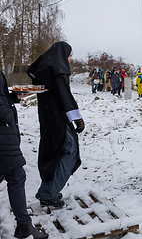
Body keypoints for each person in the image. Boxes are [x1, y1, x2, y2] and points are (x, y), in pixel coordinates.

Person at [27, 41, 85, 208]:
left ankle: (48, 190)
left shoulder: (44, 68)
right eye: (69, 56)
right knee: (71, 152)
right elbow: (64, 95)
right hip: (59, 120)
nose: (69, 59)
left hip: (46, 119)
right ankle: (48, 193)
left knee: (53, 154)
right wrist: (77, 118)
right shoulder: (59, 70)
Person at [0, 70, 48, 238]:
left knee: (13, 175)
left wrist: (14, 97)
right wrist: (9, 113)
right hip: (3, 135)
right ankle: (24, 226)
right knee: (16, 175)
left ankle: (24, 226)